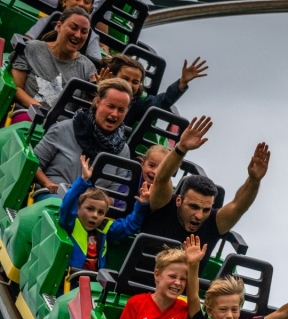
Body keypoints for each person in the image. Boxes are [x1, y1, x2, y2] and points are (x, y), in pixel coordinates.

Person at [145, 116, 270, 273]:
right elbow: (161, 179)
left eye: (206, 209)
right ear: (178, 200)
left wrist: (254, 180)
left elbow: (239, 206)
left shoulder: (213, 224)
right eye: (193, 206)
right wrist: (181, 148)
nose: (199, 215)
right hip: (137, 288)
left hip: (183, 296)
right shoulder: (163, 205)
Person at [34, 77, 132, 192]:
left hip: (90, 207)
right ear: (97, 103)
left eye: (121, 110)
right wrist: (48, 184)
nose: (115, 114)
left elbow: (115, 196)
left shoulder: (123, 150)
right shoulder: (63, 128)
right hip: (54, 198)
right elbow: (33, 164)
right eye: (110, 106)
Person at [59, 155, 149, 272]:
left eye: (101, 212)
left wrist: (142, 205)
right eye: (90, 209)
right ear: (78, 208)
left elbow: (130, 225)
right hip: (67, 281)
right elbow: (67, 205)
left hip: (92, 282)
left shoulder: (105, 228)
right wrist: (83, 180)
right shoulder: (70, 222)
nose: (95, 215)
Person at [114, 246, 192, 319]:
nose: (177, 283)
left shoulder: (183, 309)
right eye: (172, 276)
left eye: (183, 279)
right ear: (157, 275)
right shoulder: (136, 303)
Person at [11, 7, 95, 116]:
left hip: (61, 128)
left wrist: (95, 91)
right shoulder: (31, 48)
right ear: (59, 26)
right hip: (27, 115)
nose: (78, 35)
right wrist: (43, 113)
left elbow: (83, 111)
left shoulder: (88, 67)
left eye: (84, 32)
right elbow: (16, 88)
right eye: (73, 28)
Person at [99, 53, 208, 127]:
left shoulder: (138, 103)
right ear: (113, 76)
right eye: (125, 79)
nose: (129, 85)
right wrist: (100, 89)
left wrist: (182, 82)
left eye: (135, 82)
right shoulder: (97, 84)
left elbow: (162, 101)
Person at [25, 0, 102, 63]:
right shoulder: (48, 21)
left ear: (91, 10)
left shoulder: (91, 36)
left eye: (87, 2)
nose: (81, 4)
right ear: (64, 1)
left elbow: (97, 64)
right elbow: (27, 42)